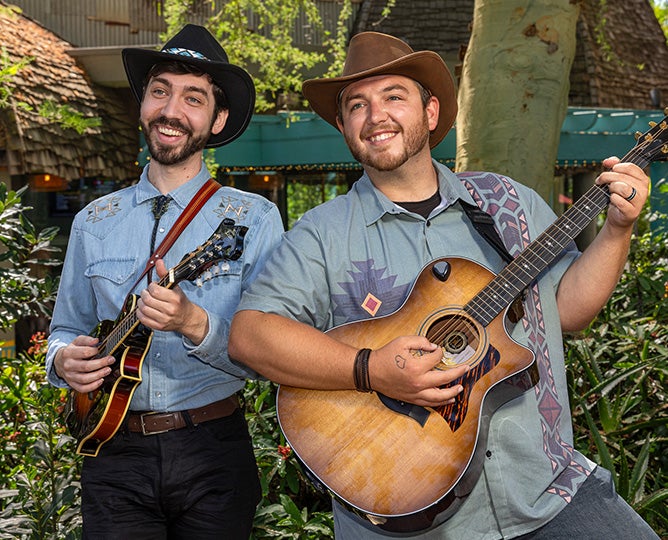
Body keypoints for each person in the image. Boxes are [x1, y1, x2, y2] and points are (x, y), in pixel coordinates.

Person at [228, 31, 659, 539]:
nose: (376, 115)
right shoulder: (319, 234)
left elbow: (567, 311)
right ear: (344, 125)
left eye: (394, 96)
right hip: (407, 508)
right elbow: (249, 335)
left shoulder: (508, 204)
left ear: (431, 113)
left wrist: (617, 229)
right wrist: (371, 369)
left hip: (544, 487)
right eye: (357, 105)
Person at [46, 24, 284, 539]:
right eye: (160, 91)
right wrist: (64, 361)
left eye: (193, 97)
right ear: (143, 107)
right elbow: (65, 327)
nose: (171, 110)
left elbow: (274, 354)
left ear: (217, 120)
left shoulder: (254, 218)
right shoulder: (93, 219)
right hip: (111, 451)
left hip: (213, 449)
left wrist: (196, 324)